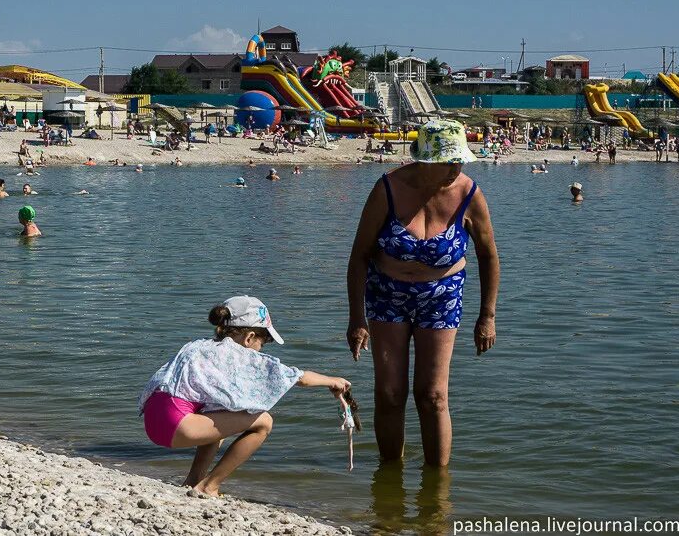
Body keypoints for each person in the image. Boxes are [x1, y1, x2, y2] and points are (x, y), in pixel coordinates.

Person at [346, 119, 499, 467]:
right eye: (449, 161)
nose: (456, 168)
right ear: (426, 160)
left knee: (432, 396)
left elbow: (488, 256)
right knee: (389, 394)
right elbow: (359, 256)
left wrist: (487, 316)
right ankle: (389, 478)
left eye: (459, 161)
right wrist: (357, 318)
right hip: (387, 293)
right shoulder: (387, 189)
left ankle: (436, 492)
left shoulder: (469, 194)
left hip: (442, 297)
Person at [139, 295, 350, 496]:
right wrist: (332, 381)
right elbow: (297, 377)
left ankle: (194, 481)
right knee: (264, 422)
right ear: (249, 338)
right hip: (177, 426)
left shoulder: (198, 345)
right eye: (263, 343)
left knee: (221, 410)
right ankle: (210, 487)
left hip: (153, 421)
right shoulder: (236, 354)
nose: (260, 349)